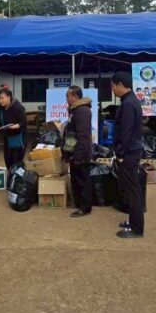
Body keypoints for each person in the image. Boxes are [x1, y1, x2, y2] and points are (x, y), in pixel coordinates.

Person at [111, 71, 144, 238]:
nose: (112, 90)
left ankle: (137, 229)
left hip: (129, 153)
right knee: (130, 189)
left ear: (120, 85)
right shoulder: (129, 100)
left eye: (113, 86)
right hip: (132, 150)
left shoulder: (128, 104)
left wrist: (121, 153)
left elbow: (126, 131)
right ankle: (132, 220)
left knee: (133, 190)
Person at [64, 86, 94, 218]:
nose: (66, 99)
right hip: (74, 151)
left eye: (68, 96)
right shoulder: (75, 110)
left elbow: (83, 135)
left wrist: (79, 155)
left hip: (81, 152)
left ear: (75, 96)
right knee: (76, 178)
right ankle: (79, 203)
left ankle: (85, 207)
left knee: (83, 179)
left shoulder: (82, 111)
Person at [0, 87, 27, 172]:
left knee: (17, 162)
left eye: (2, 98)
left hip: (18, 138)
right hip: (7, 138)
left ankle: (18, 178)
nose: (0, 101)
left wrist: (12, 126)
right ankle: (11, 177)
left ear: (9, 97)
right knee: (8, 160)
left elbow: (23, 123)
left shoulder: (18, 108)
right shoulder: (0, 108)